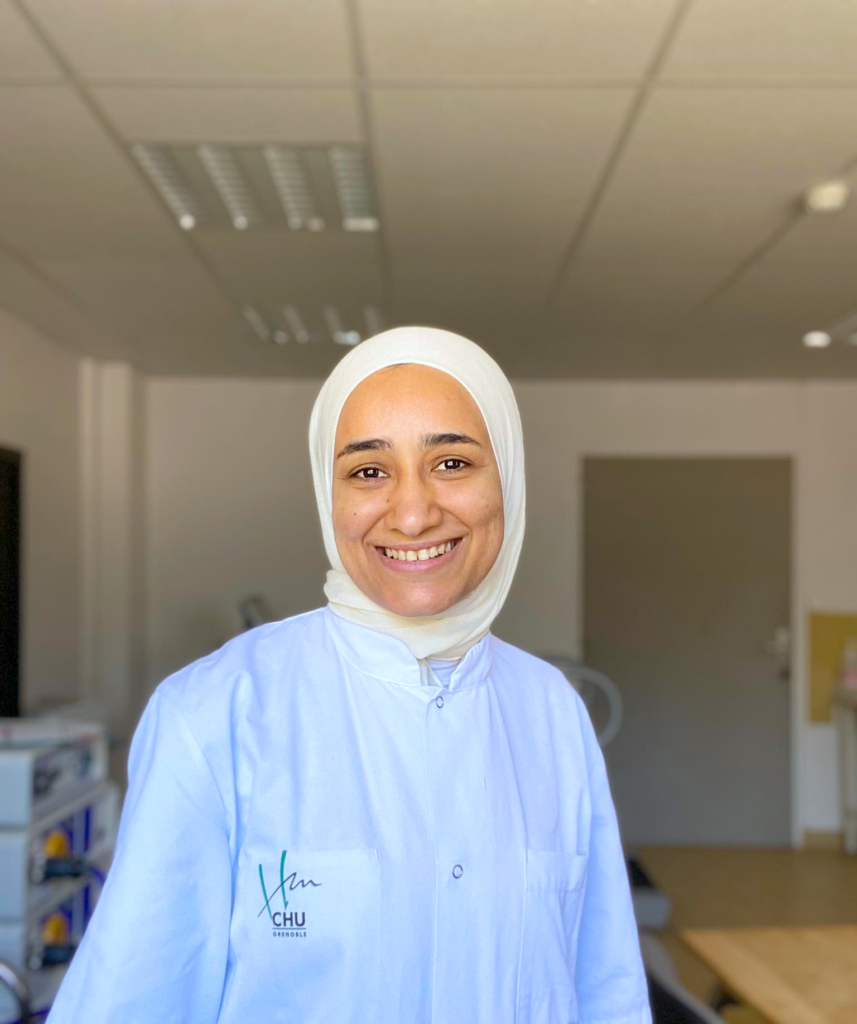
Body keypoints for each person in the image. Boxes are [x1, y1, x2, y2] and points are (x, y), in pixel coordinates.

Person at [47, 327, 651, 1024]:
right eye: (368, 471)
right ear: (326, 492)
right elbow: (136, 1002)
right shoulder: (215, 711)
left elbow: (603, 988)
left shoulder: (551, 712)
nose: (414, 511)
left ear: (506, 481)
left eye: (451, 462)